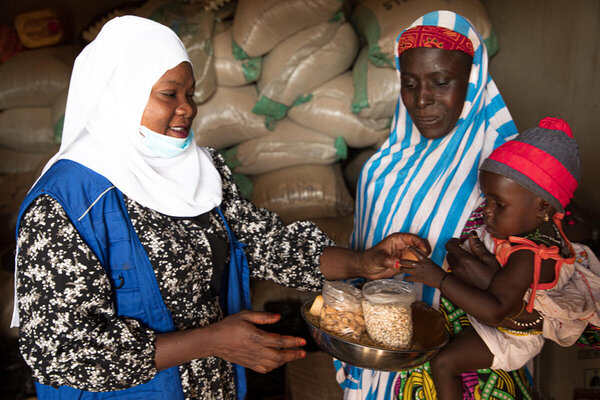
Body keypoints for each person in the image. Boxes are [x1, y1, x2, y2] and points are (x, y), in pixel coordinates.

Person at [10, 16, 430, 400]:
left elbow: (264, 243)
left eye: (190, 94)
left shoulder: (199, 170)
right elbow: (59, 351)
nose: (187, 108)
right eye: (169, 94)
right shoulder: (66, 204)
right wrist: (213, 341)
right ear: (119, 95)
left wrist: (362, 262)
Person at [335, 10, 535, 399]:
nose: (422, 100)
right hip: (383, 364)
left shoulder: (506, 173)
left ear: (472, 82)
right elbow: (358, 269)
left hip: (466, 371)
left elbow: (541, 278)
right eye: (409, 84)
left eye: (441, 82)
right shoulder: (381, 170)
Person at [398, 118, 600, 400]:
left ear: (543, 205)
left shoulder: (529, 255)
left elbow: (494, 311)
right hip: (497, 317)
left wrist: (439, 279)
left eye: (499, 204)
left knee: (444, 362)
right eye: (486, 200)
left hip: (512, 338)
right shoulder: (535, 226)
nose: (487, 211)